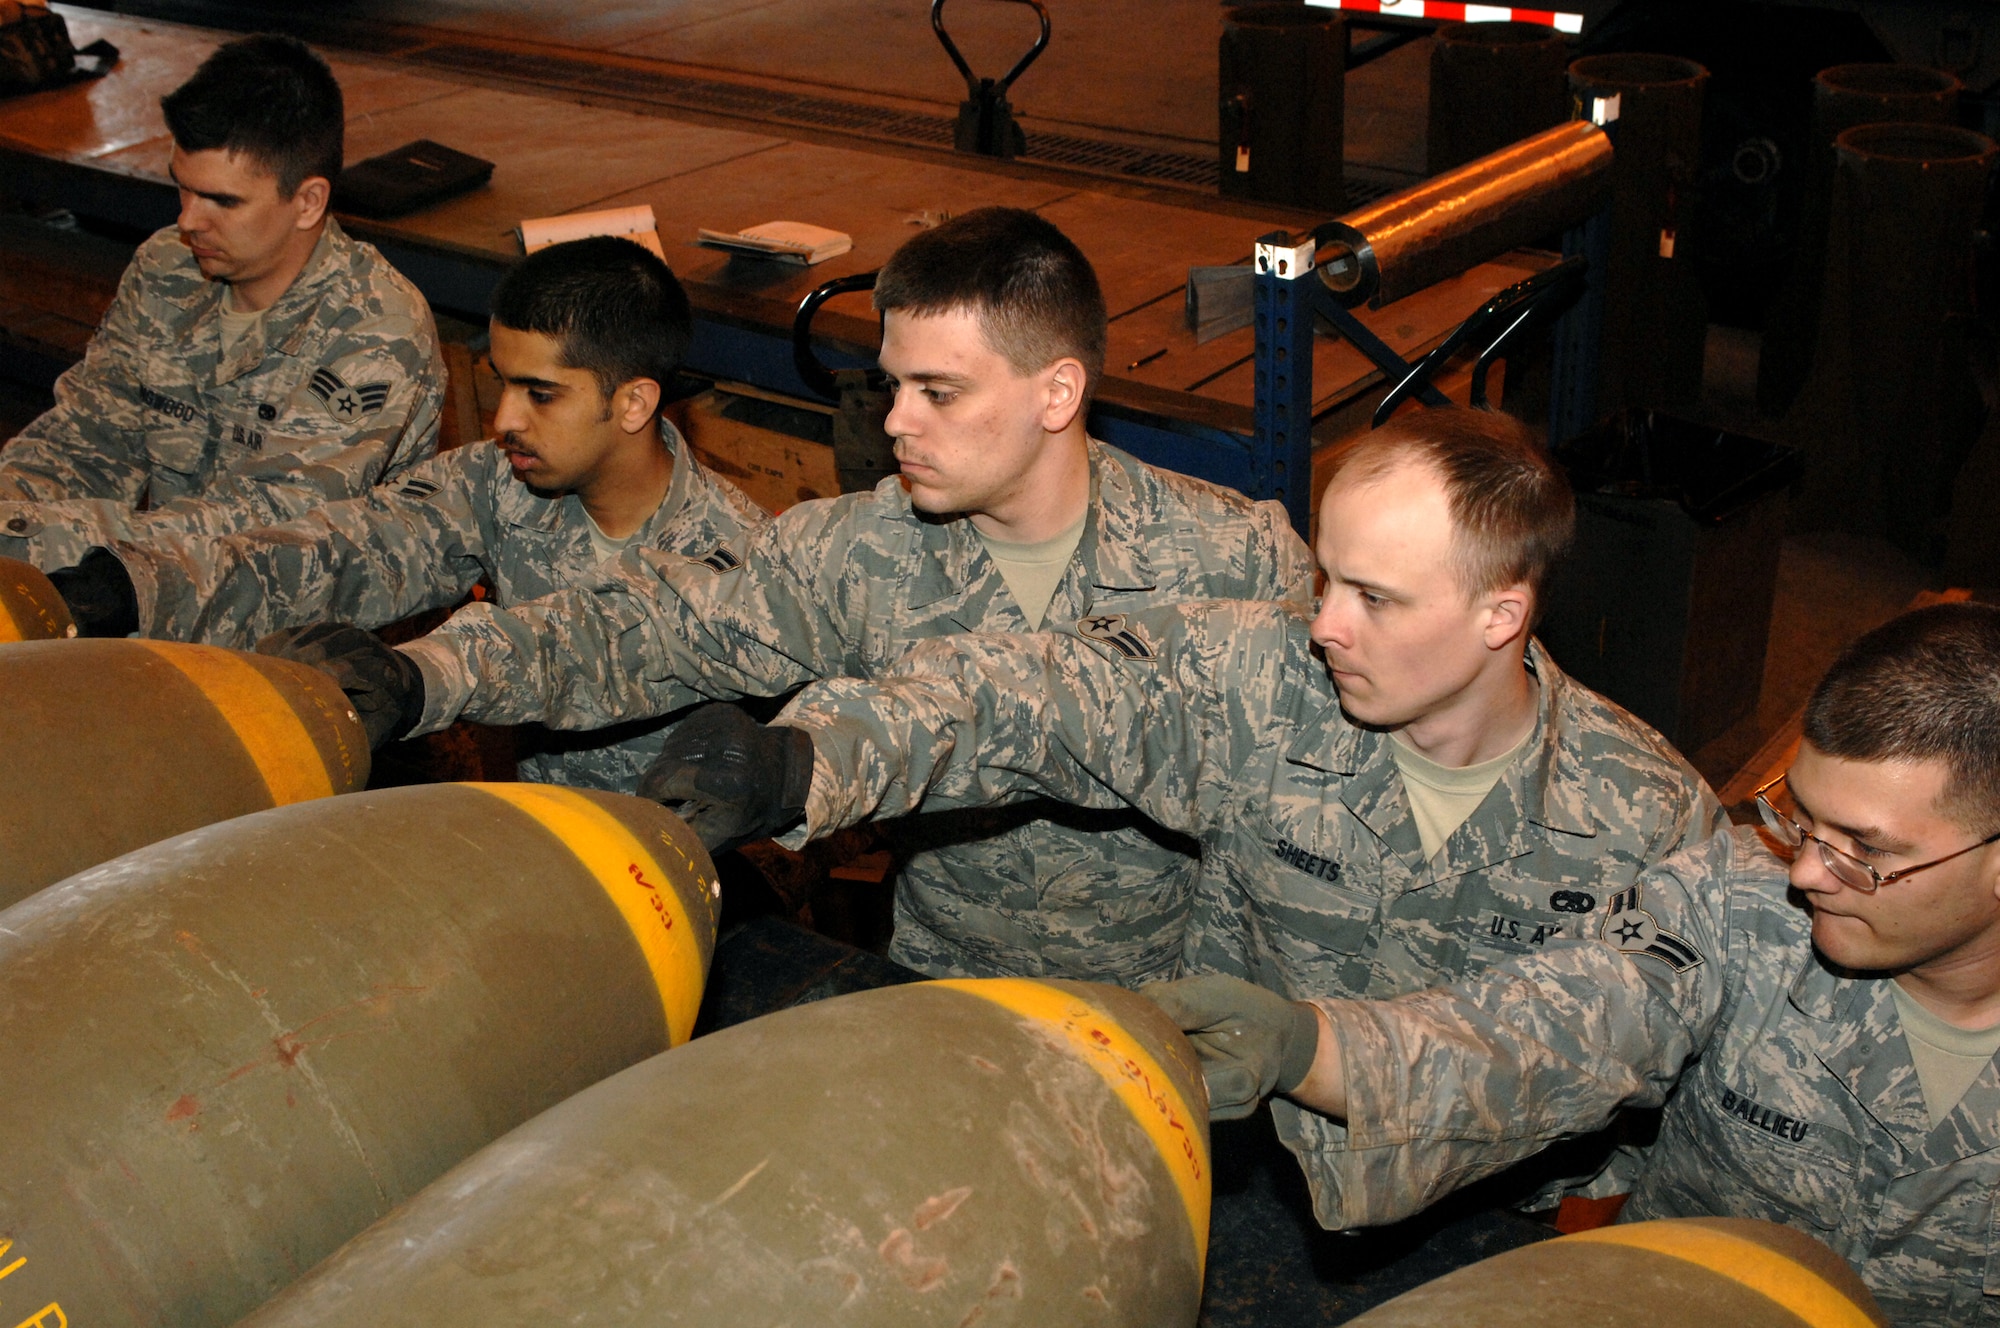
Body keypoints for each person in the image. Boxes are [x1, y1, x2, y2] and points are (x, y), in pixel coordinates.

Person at [648, 405, 1723, 1198]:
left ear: (1501, 613)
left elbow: (1620, 1063)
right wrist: (806, 759)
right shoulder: (1255, 681)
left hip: (1485, 1221)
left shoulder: (1645, 816)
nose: (1322, 623)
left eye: (1373, 597)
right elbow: (1043, 692)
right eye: (1324, 578)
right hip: (1232, 1160)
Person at [261, 206, 1315, 984]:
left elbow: (1315, 826)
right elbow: (644, 624)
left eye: (937, 393)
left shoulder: (1234, 558)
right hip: (943, 993)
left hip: (1174, 1017)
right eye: (892, 384)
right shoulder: (857, 551)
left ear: (1056, 391)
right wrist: (426, 672)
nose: (896, 422)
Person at [1150, 602, 2000, 1325]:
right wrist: (1307, 1046)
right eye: (1803, 818)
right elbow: (1548, 1025)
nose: (1808, 870)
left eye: (1865, 851)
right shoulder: (1736, 903)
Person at [49, 236, 765, 790]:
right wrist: (136, 588)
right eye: (501, 385)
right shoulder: (502, 482)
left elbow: (581, 650)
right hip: (539, 832)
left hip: (688, 874)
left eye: (540, 394)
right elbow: (353, 544)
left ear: (634, 402)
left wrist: (422, 675)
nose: (505, 420)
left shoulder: (735, 556)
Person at [0, 34, 442, 572]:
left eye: (222, 200)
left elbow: (260, 530)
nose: (188, 220)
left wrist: (34, 534)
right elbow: (86, 439)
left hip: (291, 637)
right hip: (143, 587)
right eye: (182, 188)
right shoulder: (168, 267)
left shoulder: (379, 327)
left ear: (307, 202)